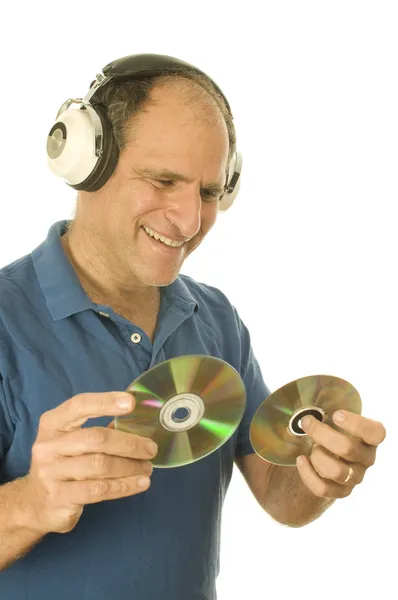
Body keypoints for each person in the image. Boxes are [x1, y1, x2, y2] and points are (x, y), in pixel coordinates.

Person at [0, 53, 386, 600]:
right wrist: (33, 501)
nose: (189, 219)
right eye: (162, 180)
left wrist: (324, 473)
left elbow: (280, 494)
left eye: (208, 193)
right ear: (87, 162)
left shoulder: (216, 318)